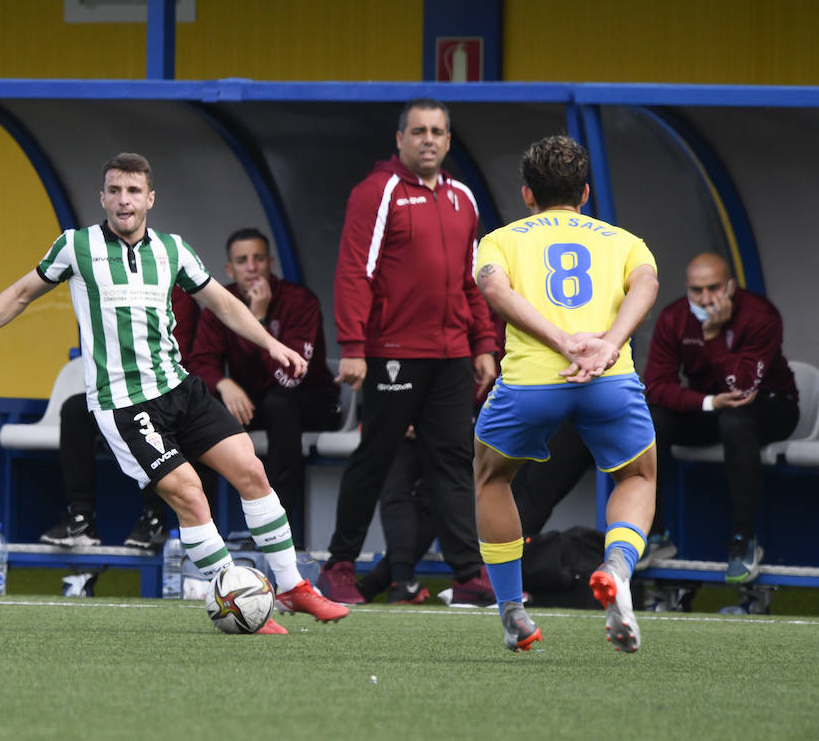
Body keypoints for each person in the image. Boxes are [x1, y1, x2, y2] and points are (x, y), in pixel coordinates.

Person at [0, 152, 348, 631]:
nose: (123, 200)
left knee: (252, 472)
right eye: (114, 190)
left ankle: (293, 587)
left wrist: (272, 343)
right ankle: (235, 600)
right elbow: (19, 294)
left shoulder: (172, 250)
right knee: (191, 495)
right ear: (102, 197)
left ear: (150, 198)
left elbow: (220, 302)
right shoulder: (76, 247)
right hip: (124, 404)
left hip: (180, 389)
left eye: (133, 191)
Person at [472, 134, 659, 653]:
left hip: (531, 383)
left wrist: (560, 342)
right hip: (609, 380)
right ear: (586, 191)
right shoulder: (624, 241)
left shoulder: (501, 239)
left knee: (492, 476)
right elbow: (647, 283)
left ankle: (512, 612)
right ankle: (618, 566)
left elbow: (493, 288)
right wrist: (606, 347)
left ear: (527, 193)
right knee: (639, 474)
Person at [318, 97, 499, 607]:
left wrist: (483, 343)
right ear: (400, 139)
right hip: (392, 352)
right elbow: (355, 271)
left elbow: (471, 280)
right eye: (418, 131)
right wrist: (353, 346)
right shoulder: (378, 193)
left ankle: (467, 573)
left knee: (453, 460)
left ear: (447, 139)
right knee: (376, 457)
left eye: (437, 132)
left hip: (452, 355)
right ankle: (340, 564)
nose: (428, 140)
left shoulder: (463, 198)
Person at [642, 252, 799, 583]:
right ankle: (653, 534)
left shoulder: (759, 315)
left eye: (713, 288)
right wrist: (708, 402)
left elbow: (742, 388)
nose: (705, 298)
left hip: (772, 405)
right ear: (687, 289)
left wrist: (712, 337)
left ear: (731, 286)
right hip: (715, 407)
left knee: (735, 420)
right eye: (696, 290)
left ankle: (744, 538)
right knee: (651, 420)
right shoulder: (675, 317)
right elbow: (655, 387)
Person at [186, 228, 340, 530]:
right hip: (256, 401)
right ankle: (202, 527)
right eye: (242, 261)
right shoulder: (222, 302)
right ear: (230, 269)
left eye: (258, 258)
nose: (251, 267)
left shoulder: (299, 301)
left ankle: (279, 527)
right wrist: (223, 383)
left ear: (271, 263)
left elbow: (290, 378)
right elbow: (200, 362)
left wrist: (258, 321)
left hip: (313, 401)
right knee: (198, 409)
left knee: (280, 403)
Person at [40, 286, 199, 551]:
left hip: (163, 392)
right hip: (115, 389)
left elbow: (169, 354)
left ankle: (154, 518)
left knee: (142, 411)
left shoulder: (176, 294)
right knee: (75, 409)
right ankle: (81, 518)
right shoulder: (106, 286)